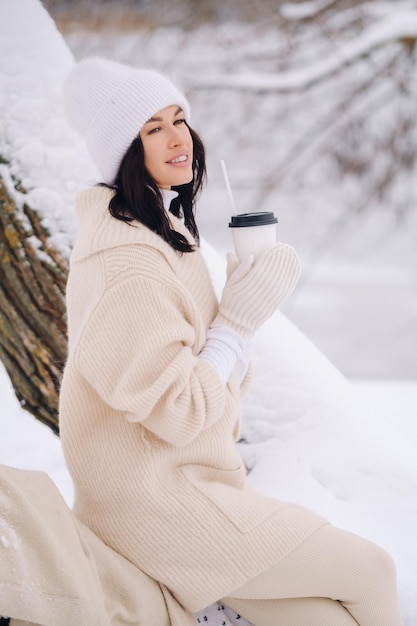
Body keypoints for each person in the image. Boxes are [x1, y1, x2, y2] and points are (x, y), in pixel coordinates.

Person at [58, 57, 404, 625]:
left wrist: (244, 307)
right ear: (124, 153)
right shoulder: (126, 263)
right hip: (156, 507)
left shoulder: (166, 235)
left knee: (325, 618)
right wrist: (235, 325)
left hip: (200, 488)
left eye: (178, 118)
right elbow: (178, 410)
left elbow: (213, 388)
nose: (179, 139)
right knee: (372, 572)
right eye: (153, 129)